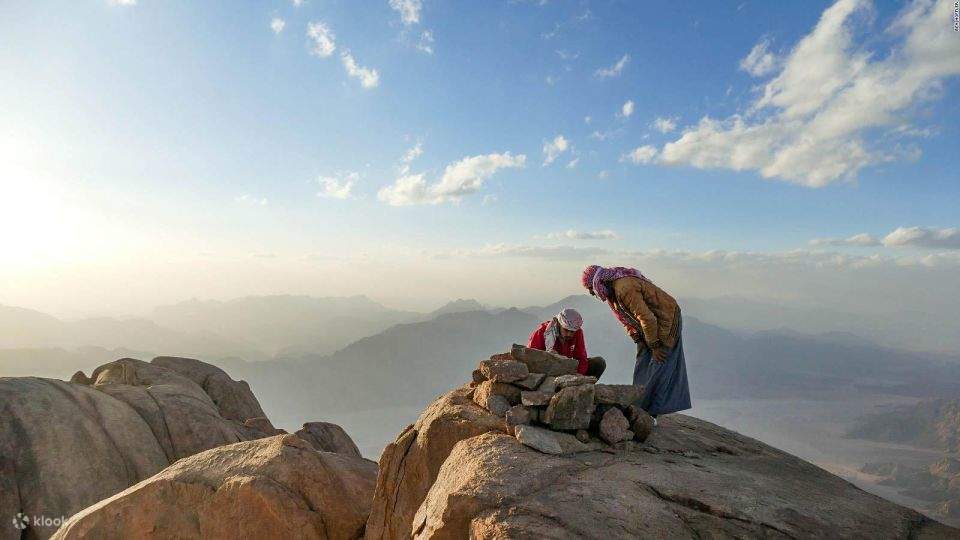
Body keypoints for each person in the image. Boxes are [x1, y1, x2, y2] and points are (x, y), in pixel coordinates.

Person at [581, 265, 691, 423]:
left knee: (659, 364)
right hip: (647, 327)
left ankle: (650, 414)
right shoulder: (612, 294)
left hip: (667, 320)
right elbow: (625, 319)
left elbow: (647, 318)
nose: (592, 293)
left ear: (600, 281)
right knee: (642, 362)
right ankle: (637, 406)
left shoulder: (624, 288)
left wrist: (654, 346)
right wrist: (638, 339)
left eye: (591, 288)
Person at [527, 308, 605, 377]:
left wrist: (579, 375)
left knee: (599, 363)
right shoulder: (542, 333)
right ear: (560, 324)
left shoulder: (578, 332)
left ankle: (583, 390)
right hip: (546, 371)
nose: (569, 334)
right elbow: (530, 358)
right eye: (566, 330)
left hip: (567, 369)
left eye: (572, 332)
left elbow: (581, 358)